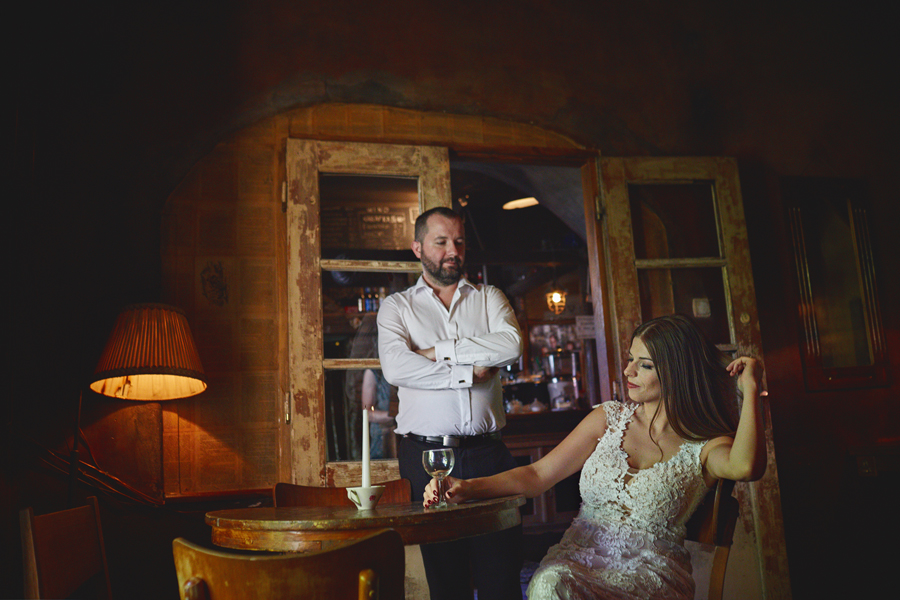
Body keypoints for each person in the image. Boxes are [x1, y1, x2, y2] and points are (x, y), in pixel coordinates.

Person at [424, 314, 767, 600]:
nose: (629, 371)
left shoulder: (704, 445)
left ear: (678, 372)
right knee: (550, 584)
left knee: (551, 586)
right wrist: (467, 486)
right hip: (576, 563)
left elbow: (746, 466)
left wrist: (751, 389)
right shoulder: (609, 418)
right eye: (630, 359)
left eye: (645, 365)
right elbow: (536, 475)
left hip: (649, 579)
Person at [377, 206, 525, 600]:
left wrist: (436, 352)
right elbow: (397, 368)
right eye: (441, 242)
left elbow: (511, 345)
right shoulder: (397, 307)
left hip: (489, 455)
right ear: (417, 248)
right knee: (447, 583)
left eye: (458, 241)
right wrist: (466, 373)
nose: (452, 251)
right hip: (425, 458)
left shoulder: (489, 297)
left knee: (502, 577)